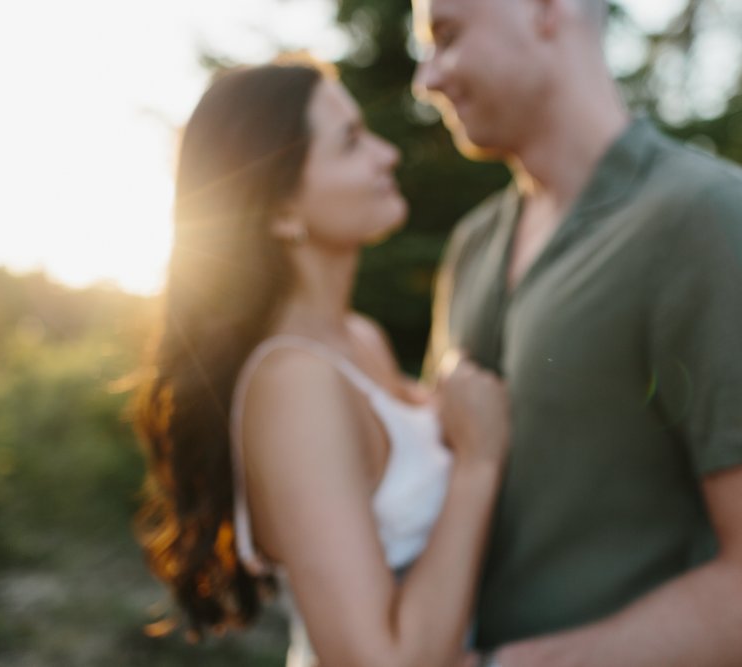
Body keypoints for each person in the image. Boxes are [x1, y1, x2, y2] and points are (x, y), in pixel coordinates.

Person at [412, 0, 742, 665]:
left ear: (547, 9)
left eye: (447, 35)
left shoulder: (712, 222)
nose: (428, 77)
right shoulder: (472, 246)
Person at [131, 54, 509, 667]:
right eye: (352, 143)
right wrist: (478, 465)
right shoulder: (292, 385)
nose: (387, 155)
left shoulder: (361, 339)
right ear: (281, 211)